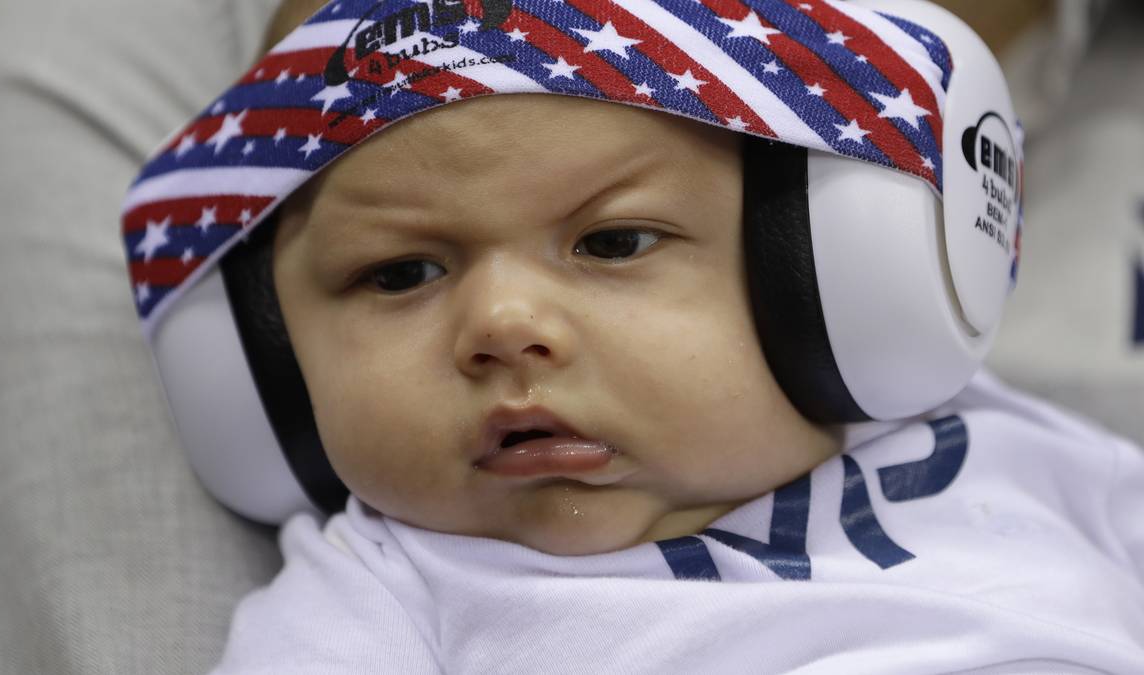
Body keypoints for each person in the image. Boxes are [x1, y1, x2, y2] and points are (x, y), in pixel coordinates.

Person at [121, 0, 1144, 671]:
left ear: (824, 261)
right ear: (264, 359)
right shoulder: (381, 589)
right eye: (401, 273)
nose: (503, 326)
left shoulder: (1016, 449)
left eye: (612, 242)